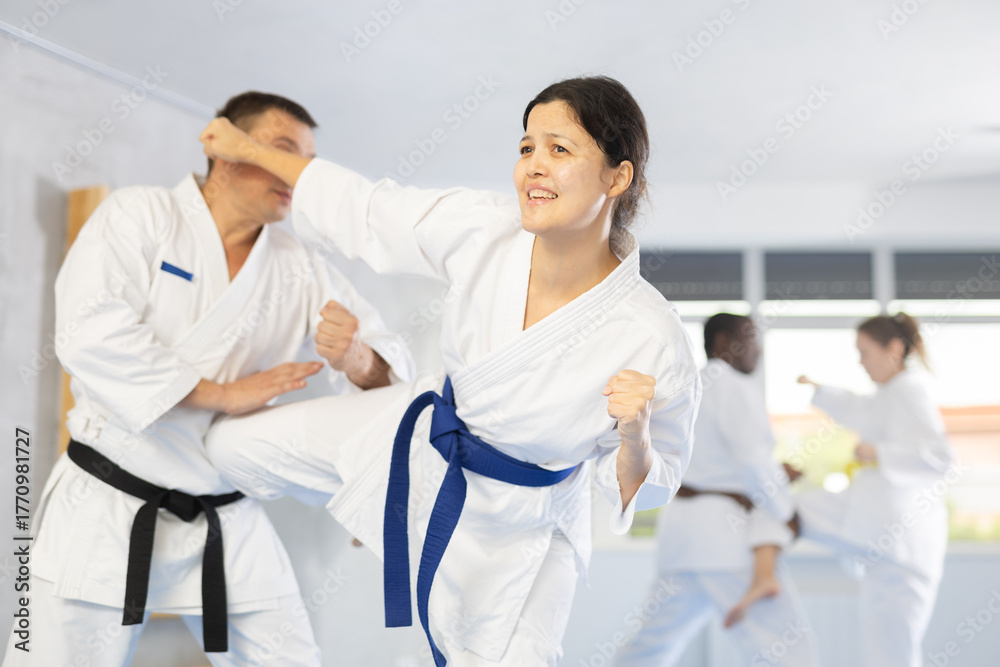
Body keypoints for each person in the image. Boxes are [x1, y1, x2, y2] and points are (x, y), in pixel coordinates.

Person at [199, 76, 702, 666]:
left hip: (526, 525)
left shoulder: (651, 335)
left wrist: (636, 436)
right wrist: (249, 149)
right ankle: (376, 500)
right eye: (526, 147)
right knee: (231, 446)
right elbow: (368, 210)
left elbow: (653, 487)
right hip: (424, 441)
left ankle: (385, 508)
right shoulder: (486, 229)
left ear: (617, 177)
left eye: (559, 149)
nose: (534, 166)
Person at [3, 92, 414, 667]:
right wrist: (221, 396)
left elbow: (390, 374)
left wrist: (357, 359)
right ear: (225, 148)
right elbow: (88, 332)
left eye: (307, 160)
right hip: (108, 501)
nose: (296, 171)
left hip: (224, 511)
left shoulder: (298, 265)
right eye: (282, 149)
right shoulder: (140, 215)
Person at [615, 314, 818, 667]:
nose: (758, 350)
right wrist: (787, 513)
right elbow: (753, 461)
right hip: (726, 541)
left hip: (681, 539)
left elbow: (709, 460)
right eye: (751, 339)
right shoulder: (733, 385)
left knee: (648, 649)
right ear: (724, 342)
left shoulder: (683, 386)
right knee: (786, 649)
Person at [796, 312, 953, 667]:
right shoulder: (890, 394)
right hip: (886, 549)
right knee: (885, 654)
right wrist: (819, 389)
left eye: (865, 352)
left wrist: (877, 452)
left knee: (895, 653)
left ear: (893, 349)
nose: (861, 362)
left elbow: (942, 457)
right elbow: (859, 408)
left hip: (905, 551)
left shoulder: (909, 391)